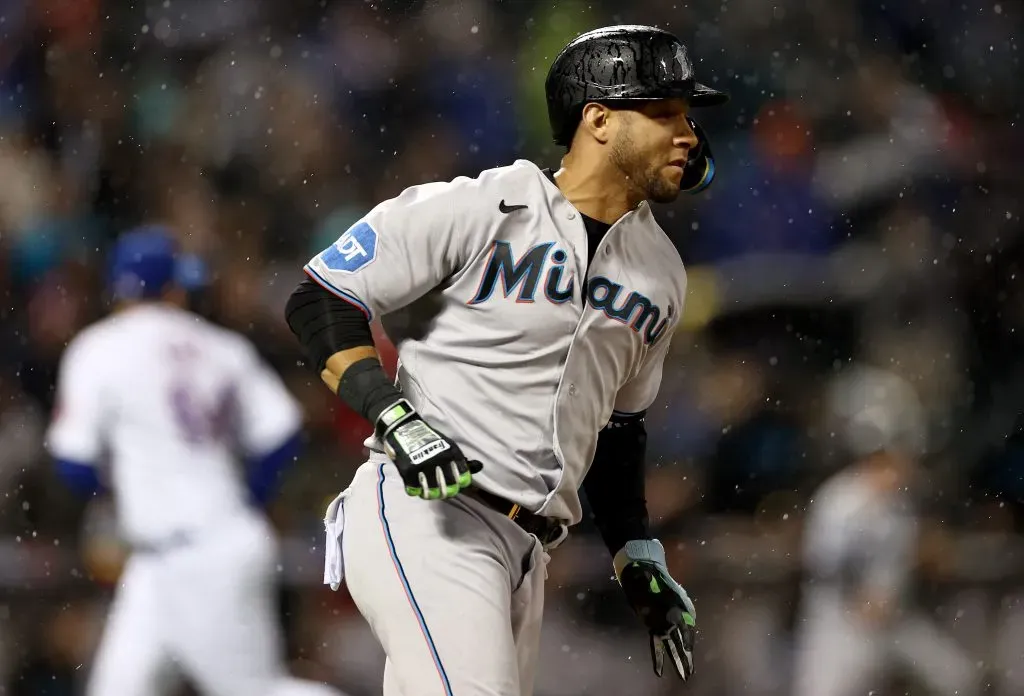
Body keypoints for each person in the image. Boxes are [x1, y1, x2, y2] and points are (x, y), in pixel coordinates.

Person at [286, 25, 728, 695]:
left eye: (686, 114)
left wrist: (635, 551)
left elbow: (616, 429)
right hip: (431, 513)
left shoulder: (661, 273)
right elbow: (321, 296)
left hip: (531, 550)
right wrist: (394, 415)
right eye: (664, 112)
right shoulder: (485, 206)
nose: (687, 132)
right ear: (599, 120)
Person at [46, 227, 347, 696]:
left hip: (199, 554)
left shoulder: (99, 348)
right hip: (177, 557)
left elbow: (73, 465)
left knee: (254, 691)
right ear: (171, 288)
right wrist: (246, 499)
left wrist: (116, 494)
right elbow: (284, 437)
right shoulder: (223, 346)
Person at [793, 364, 977, 696]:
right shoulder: (840, 501)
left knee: (958, 678)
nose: (906, 466)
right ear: (877, 456)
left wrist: (926, 556)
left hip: (892, 624)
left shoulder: (899, 506)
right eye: (897, 457)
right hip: (840, 628)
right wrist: (860, 596)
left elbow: (903, 562)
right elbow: (824, 564)